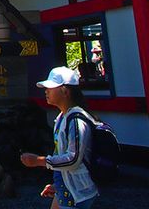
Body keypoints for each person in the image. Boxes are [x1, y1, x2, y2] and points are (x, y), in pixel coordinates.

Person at [20, 66, 98, 209]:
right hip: (70, 190)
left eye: (50, 88)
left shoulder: (76, 120)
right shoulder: (62, 118)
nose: (46, 91)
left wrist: (39, 161)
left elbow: (73, 159)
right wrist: (59, 185)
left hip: (79, 194)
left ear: (65, 91)